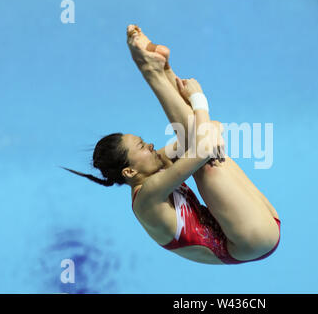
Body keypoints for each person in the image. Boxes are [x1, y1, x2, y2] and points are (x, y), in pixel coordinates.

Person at [63, 25, 280, 265]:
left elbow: (209, 131)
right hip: (248, 242)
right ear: (130, 172)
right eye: (143, 147)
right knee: (204, 161)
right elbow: (206, 143)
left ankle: (162, 70)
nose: (151, 145)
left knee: (196, 145)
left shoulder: (153, 167)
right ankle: (151, 71)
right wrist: (198, 99)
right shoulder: (147, 197)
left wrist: (201, 117)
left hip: (258, 224)